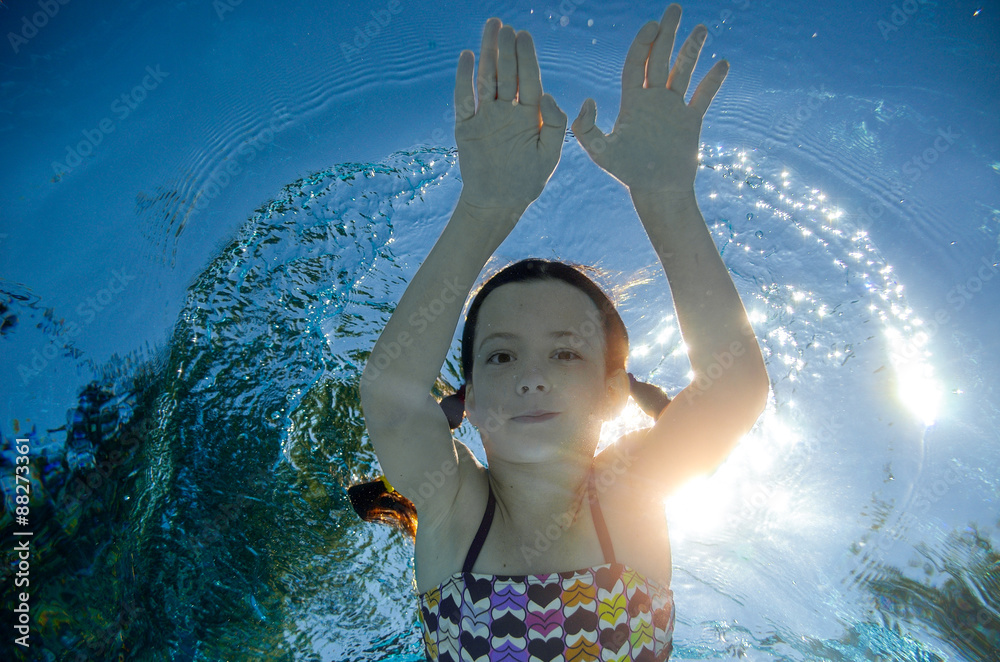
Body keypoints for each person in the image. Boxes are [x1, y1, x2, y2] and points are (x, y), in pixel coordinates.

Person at [354, 4, 769, 659]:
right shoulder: (455, 503)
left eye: (566, 352)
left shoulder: (630, 494)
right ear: (467, 406)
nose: (531, 375)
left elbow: (731, 390)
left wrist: (666, 196)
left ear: (611, 393)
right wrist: (483, 207)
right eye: (500, 357)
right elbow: (393, 395)